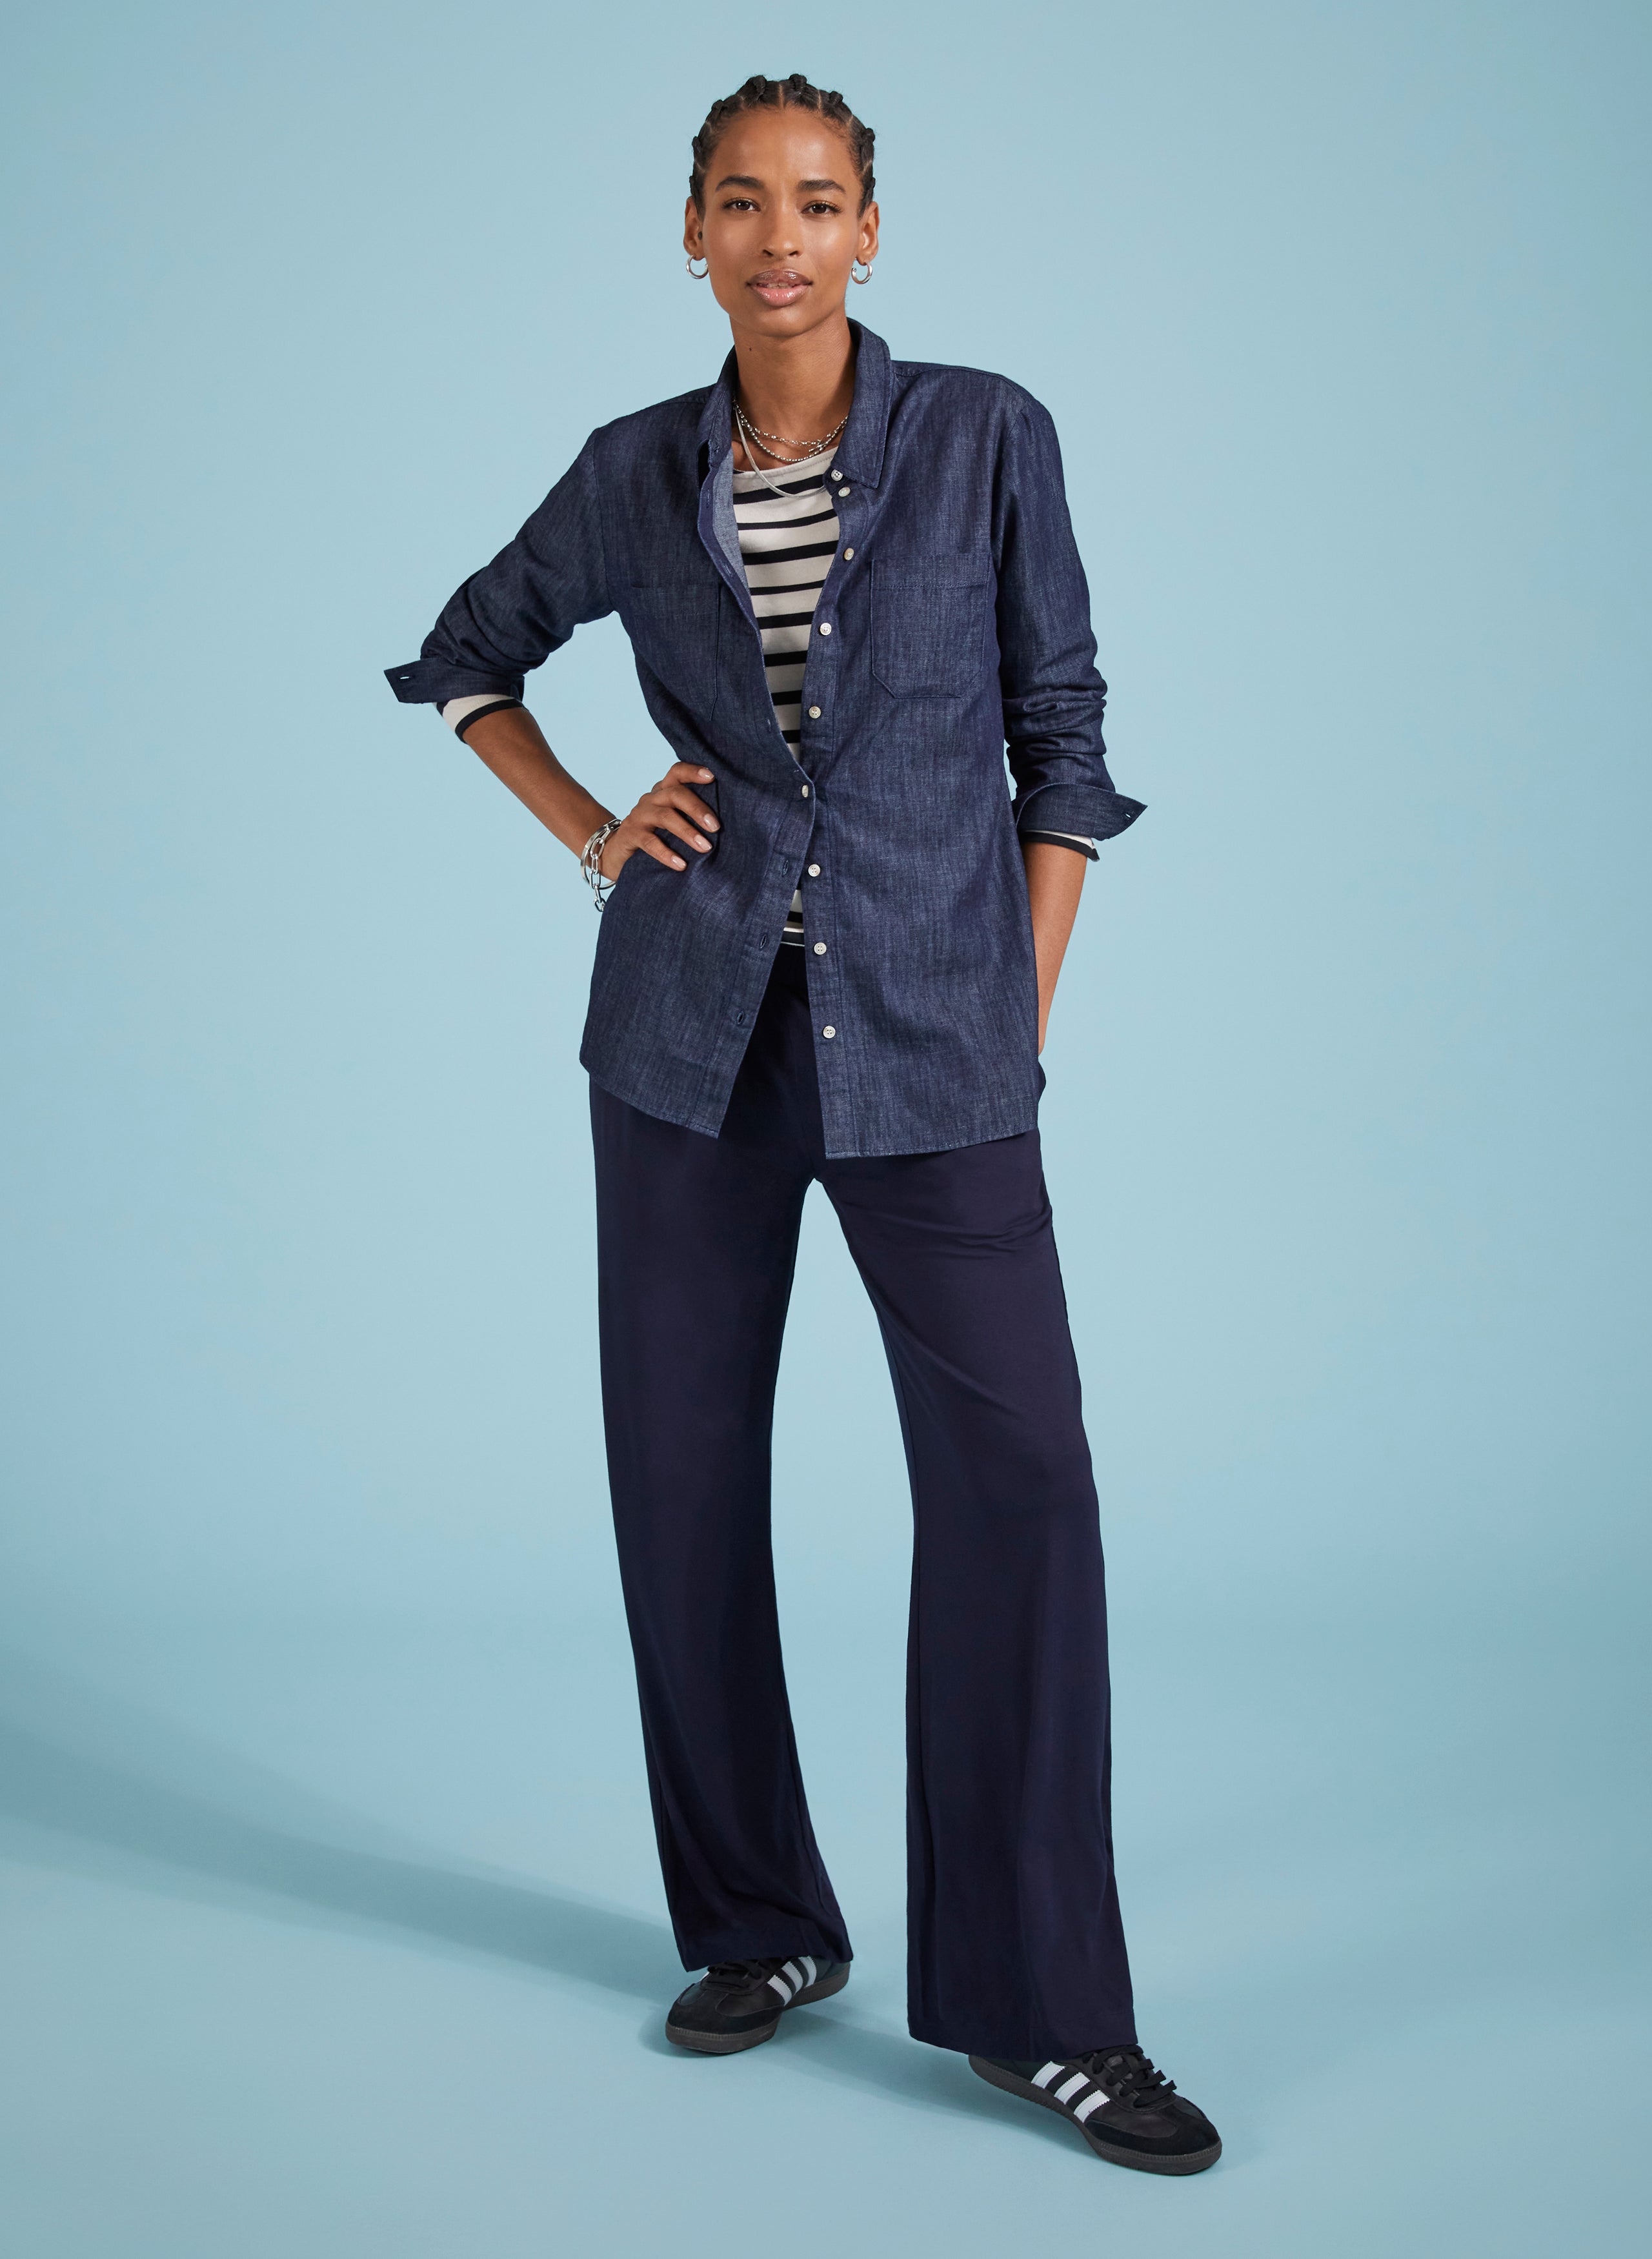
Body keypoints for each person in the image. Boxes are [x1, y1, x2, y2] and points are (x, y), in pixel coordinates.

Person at [386, 71, 1220, 2177]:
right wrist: (597, 826)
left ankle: (1043, 2010)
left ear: (870, 230)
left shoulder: (986, 437)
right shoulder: (631, 471)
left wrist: (1012, 1003)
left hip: (938, 1047)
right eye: (743, 202)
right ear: (691, 231)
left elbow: (1062, 738)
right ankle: (758, 1920)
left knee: (1022, 1484)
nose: (782, 239)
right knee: (681, 1485)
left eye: (820, 201)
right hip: (687, 1042)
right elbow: (469, 657)